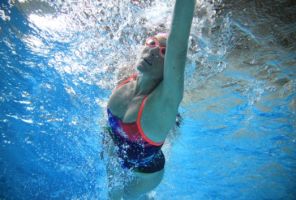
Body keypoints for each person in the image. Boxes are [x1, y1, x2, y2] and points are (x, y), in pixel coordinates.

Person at [106, 0, 196, 199]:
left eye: (164, 52)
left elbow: (178, 45)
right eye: (152, 43)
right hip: (116, 153)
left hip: (145, 175)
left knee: (126, 196)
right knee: (112, 193)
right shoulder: (125, 76)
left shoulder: (162, 104)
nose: (154, 50)